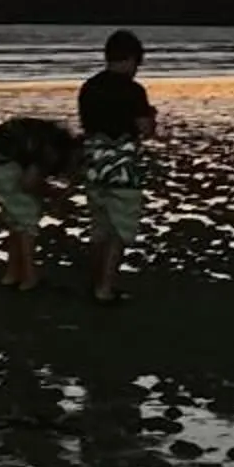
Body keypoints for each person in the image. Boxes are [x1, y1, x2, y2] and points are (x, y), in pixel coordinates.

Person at [75, 29, 155, 305]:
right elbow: (145, 129)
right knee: (121, 228)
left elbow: (86, 126)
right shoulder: (133, 91)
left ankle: (95, 279)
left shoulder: (89, 87)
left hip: (94, 161)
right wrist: (151, 117)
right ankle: (105, 288)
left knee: (99, 226)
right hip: (122, 164)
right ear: (132, 59)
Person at [0, 114, 81, 291]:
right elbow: (28, 183)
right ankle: (29, 278)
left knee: (15, 222)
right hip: (2, 163)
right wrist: (52, 195)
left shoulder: (45, 134)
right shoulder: (50, 149)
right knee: (27, 221)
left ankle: (13, 274)